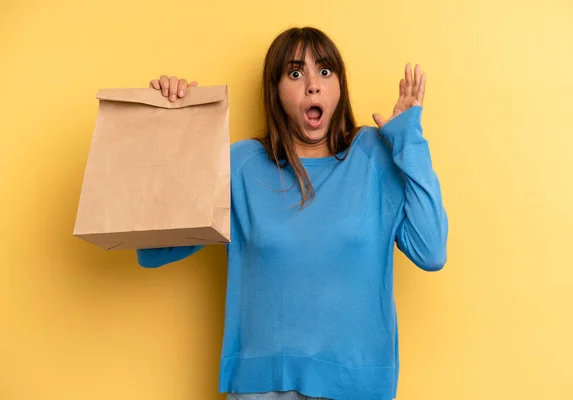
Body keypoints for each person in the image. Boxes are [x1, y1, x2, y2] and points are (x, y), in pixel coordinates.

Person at [138, 26, 448, 400]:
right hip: (262, 388)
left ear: (339, 86)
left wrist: (407, 137)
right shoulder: (240, 165)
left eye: (325, 71)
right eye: (296, 73)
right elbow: (154, 251)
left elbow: (431, 251)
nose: (312, 85)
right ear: (276, 89)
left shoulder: (373, 157)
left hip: (357, 388)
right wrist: (172, 129)